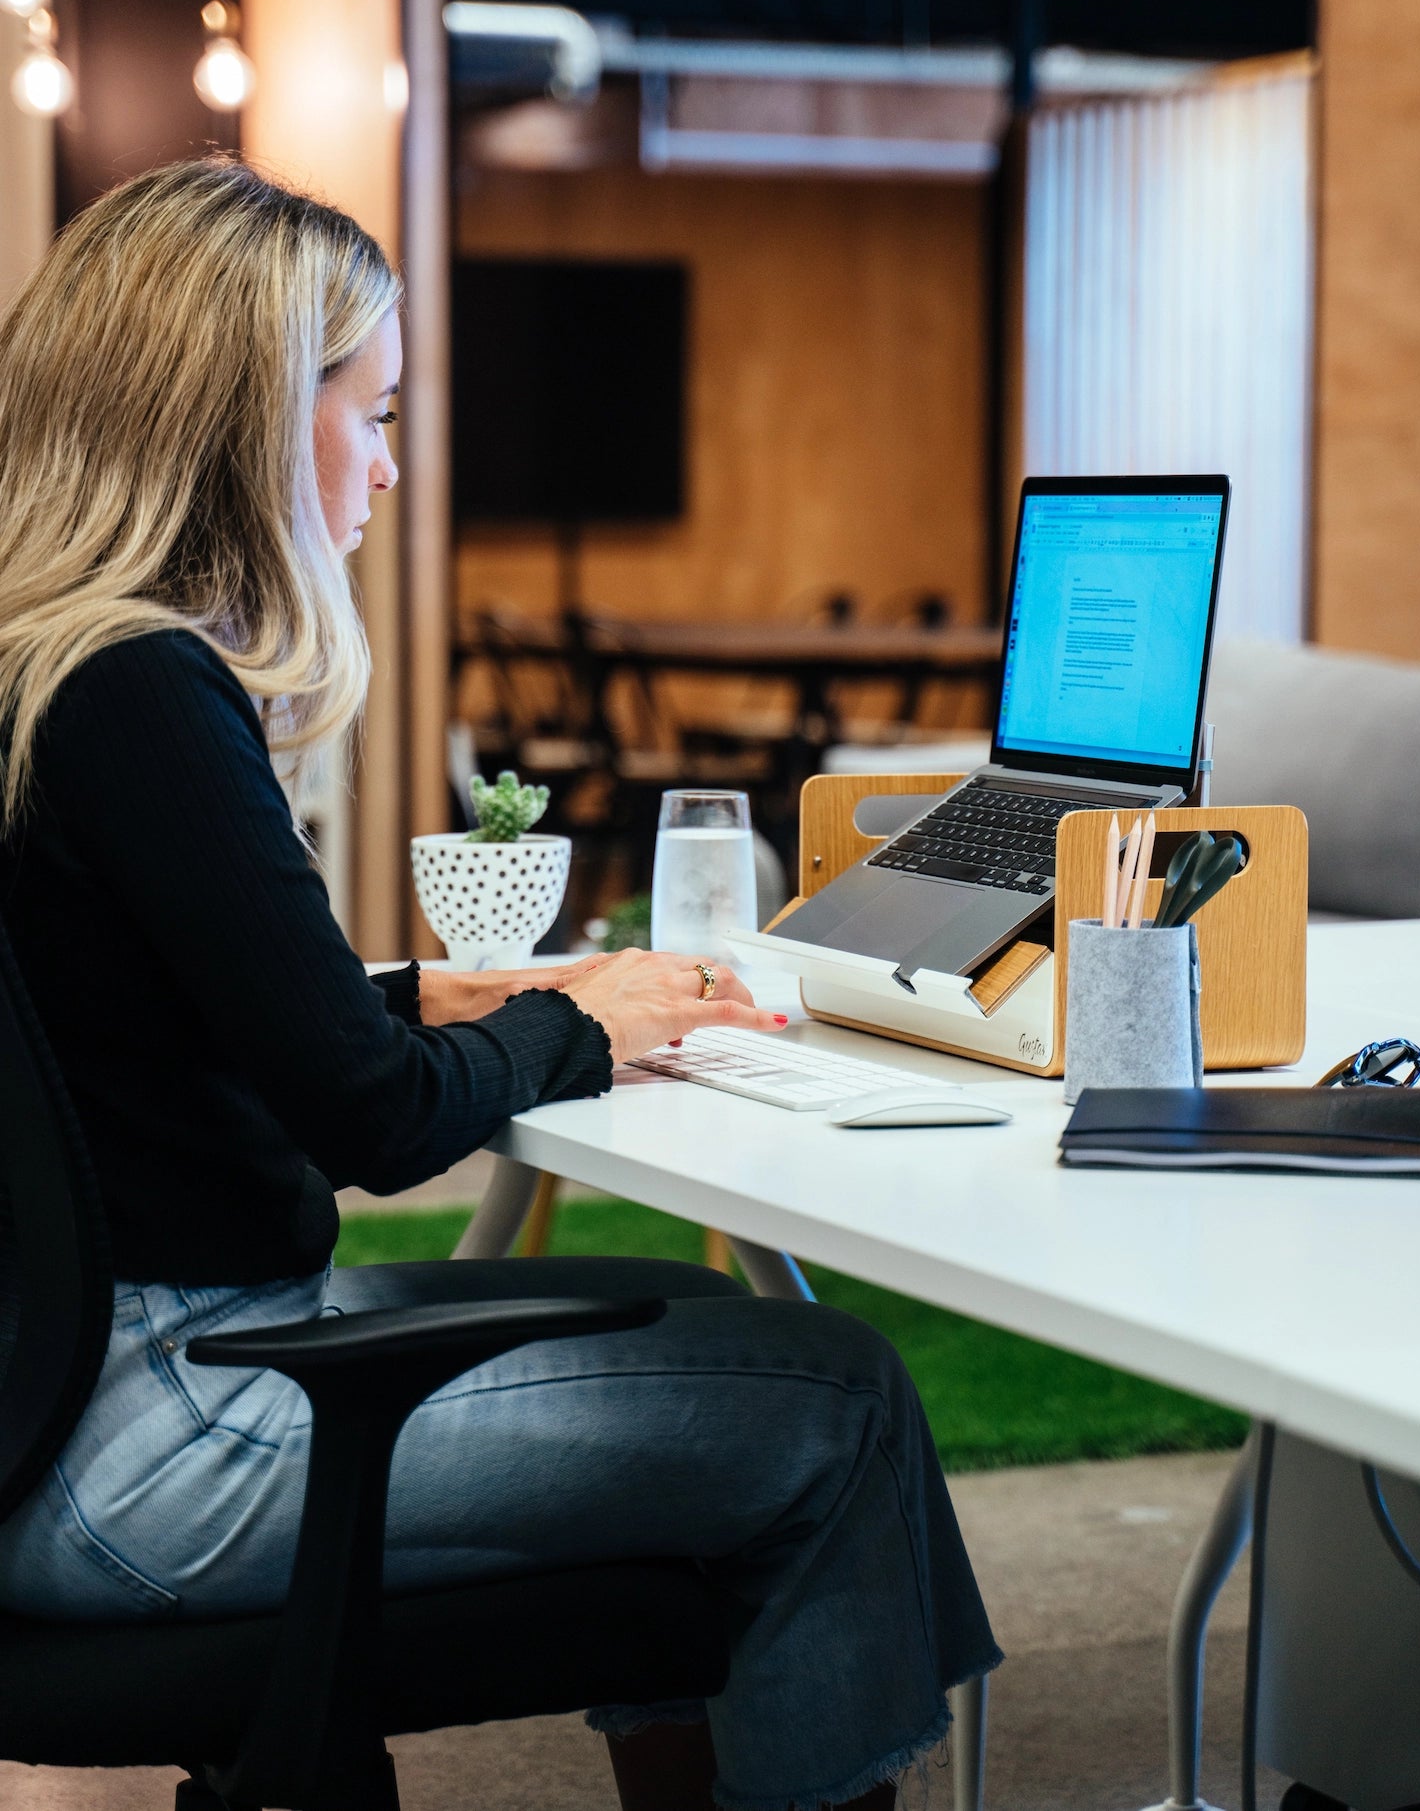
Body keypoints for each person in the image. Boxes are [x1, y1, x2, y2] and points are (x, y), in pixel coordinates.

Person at [0, 158, 1000, 1811]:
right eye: (372, 415)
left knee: (691, 1312)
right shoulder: (142, 688)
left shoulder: (49, 668)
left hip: (78, 1397)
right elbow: (377, 1128)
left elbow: (137, 1025)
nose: (391, 466)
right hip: (160, 1435)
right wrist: (574, 1023)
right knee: (838, 1398)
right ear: (252, 417)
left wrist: (419, 995)